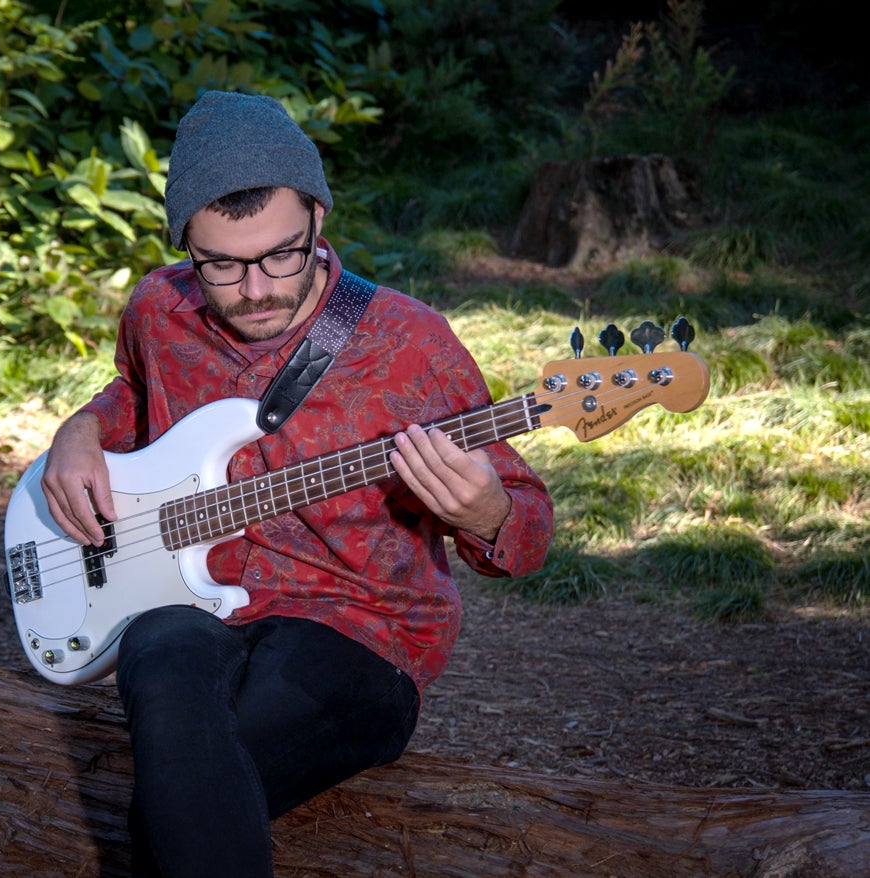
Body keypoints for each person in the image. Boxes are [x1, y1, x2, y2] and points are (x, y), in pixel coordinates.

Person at [40, 90, 554, 877]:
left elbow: (525, 533)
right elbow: (133, 398)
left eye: (283, 254)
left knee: (172, 806)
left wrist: (486, 511)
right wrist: (78, 431)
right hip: (194, 600)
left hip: (362, 634)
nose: (257, 290)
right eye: (221, 265)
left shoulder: (410, 343)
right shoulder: (158, 308)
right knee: (156, 642)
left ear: (319, 216)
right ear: (184, 245)